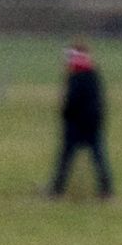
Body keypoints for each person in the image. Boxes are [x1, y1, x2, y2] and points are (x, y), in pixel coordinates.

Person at [48, 43, 113, 199]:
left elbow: (71, 103)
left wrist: (65, 114)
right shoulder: (93, 76)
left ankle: (56, 191)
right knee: (98, 158)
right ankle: (106, 191)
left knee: (65, 159)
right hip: (93, 125)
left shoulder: (76, 77)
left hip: (76, 126)